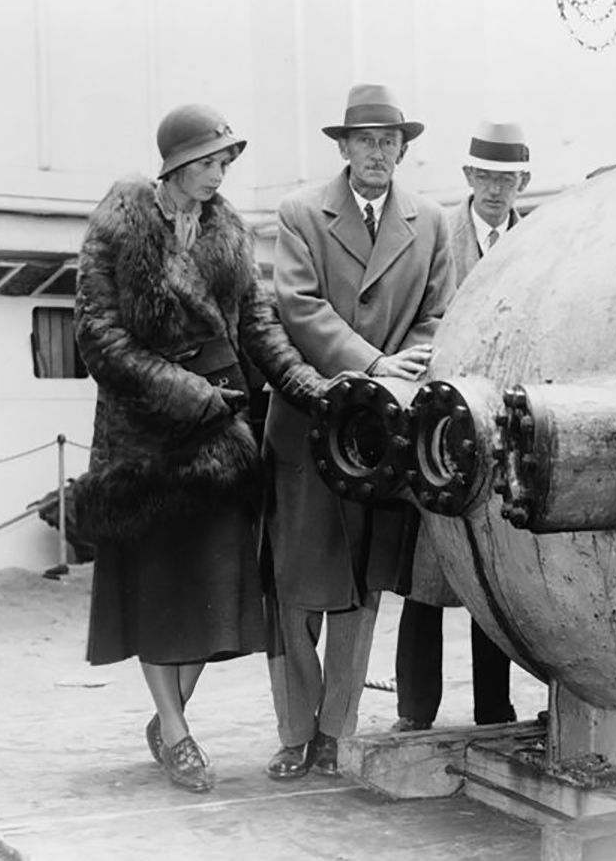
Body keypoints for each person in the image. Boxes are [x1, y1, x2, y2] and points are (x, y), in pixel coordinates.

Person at [74, 104, 326, 794]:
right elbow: (98, 336)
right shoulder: (119, 224)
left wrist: (309, 386)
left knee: (215, 593)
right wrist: (186, 391)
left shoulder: (229, 233)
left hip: (220, 436)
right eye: (211, 161)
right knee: (158, 589)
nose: (221, 173)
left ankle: (168, 719)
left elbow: (257, 326)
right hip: (147, 439)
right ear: (177, 165)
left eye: (225, 161)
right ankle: (179, 735)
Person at [263, 84, 454, 778]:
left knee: (362, 587)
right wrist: (373, 363)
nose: (380, 153)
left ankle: (334, 730)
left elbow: (439, 314)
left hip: (381, 439)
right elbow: (299, 307)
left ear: (404, 146)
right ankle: (294, 729)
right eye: (366, 140)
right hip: (311, 427)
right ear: (343, 147)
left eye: (391, 140)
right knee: (293, 588)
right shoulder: (300, 213)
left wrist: (403, 373)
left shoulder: (431, 220)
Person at [392, 121, 532, 732]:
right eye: (486, 176)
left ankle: (493, 712)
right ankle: (414, 712)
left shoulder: (539, 242)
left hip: (504, 432)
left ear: (521, 180)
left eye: (508, 177)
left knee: (493, 579)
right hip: (441, 429)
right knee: (427, 580)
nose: (497, 189)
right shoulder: (433, 235)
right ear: (468, 177)